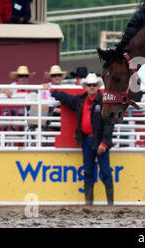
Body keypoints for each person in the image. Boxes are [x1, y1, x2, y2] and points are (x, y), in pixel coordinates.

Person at [42, 73, 115, 206]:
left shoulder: (105, 102)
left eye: (94, 85)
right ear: (85, 87)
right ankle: (90, 202)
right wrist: (51, 89)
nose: (92, 87)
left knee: (104, 170)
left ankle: (109, 203)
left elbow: (109, 125)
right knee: (88, 170)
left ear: (98, 86)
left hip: (99, 141)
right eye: (89, 85)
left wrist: (104, 142)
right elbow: (65, 98)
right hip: (87, 140)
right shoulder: (81, 100)